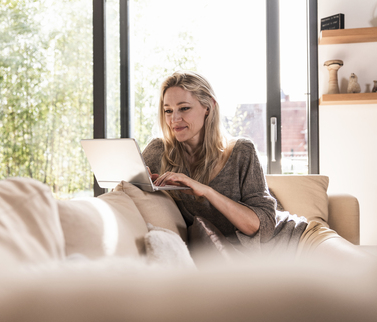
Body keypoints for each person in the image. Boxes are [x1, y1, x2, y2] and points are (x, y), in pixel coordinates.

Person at [142, 70, 370, 262]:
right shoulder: (158, 153)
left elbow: (261, 225)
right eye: (168, 110)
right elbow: (127, 187)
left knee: (365, 275)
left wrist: (206, 191)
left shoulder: (241, 151)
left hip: (297, 239)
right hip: (251, 262)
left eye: (184, 108)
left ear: (208, 107)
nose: (174, 119)